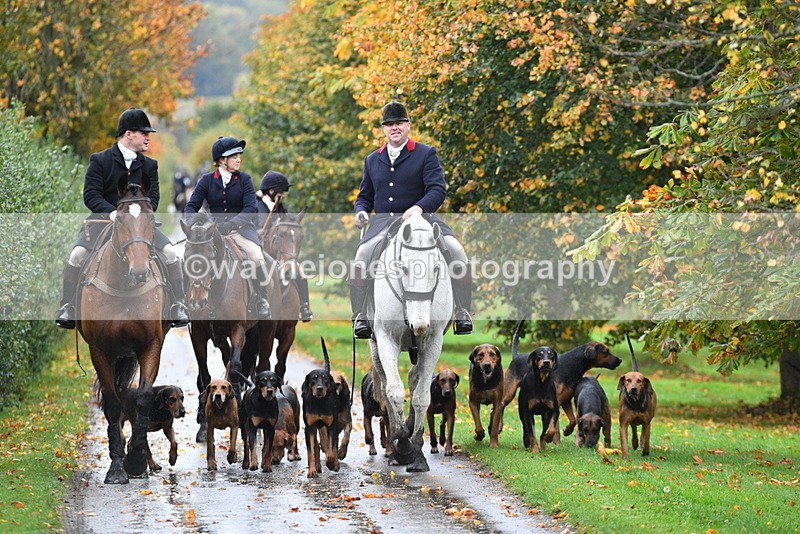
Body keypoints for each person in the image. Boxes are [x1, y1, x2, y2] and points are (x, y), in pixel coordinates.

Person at [55, 108, 190, 329]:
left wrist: (137, 215)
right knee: (77, 256)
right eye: (144, 132)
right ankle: (68, 306)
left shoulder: (150, 165)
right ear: (129, 134)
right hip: (103, 222)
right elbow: (91, 194)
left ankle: (177, 304)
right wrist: (113, 214)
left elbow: (153, 198)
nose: (148, 137)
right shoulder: (100, 160)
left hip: (139, 225)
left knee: (170, 253)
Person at [350, 101, 473, 338]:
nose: (394, 128)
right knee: (361, 257)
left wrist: (418, 208)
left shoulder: (426, 153)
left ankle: (462, 312)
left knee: (456, 251)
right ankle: (360, 317)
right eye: (389, 124)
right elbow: (364, 196)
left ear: (408, 125)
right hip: (384, 224)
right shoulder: (372, 160)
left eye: (399, 123)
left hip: (422, 220)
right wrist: (361, 211)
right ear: (384, 129)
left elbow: (437, 189)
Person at [183, 136, 271, 320]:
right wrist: (193, 226)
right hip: (212, 232)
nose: (239, 159)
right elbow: (191, 207)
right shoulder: (206, 180)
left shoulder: (245, 179)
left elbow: (250, 208)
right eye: (234, 156)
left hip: (240, 231)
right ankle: (183, 300)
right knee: (191, 256)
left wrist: (231, 224)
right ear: (222, 160)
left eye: (239, 155)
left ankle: (261, 300)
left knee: (257, 256)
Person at [256, 170, 314, 322]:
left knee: (300, 272)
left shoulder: (281, 207)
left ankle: (304, 306)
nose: (284, 195)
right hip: (259, 250)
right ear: (271, 191)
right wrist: (259, 231)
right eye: (282, 191)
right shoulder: (256, 205)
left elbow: (289, 224)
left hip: (280, 253)